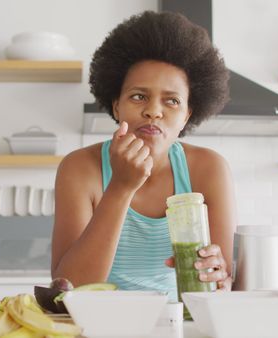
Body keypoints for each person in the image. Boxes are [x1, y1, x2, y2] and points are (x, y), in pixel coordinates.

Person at [51, 10, 237, 297]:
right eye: (139, 96)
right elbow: (69, 289)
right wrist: (121, 186)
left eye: (171, 101)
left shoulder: (209, 169)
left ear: (187, 115)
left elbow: (221, 284)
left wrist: (221, 274)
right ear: (116, 106)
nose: (154, 111)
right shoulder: (79, 169)